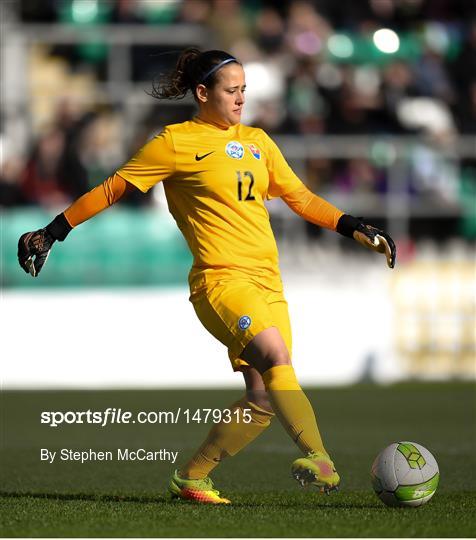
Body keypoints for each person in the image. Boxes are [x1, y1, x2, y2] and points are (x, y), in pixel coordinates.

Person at [18, 48, 396, 505]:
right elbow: (113, 187)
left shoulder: (258, 141)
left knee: (261, 398)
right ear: (202, 93)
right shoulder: (175, 143)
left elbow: (300, 197)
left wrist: (354, 227)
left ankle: (192, 478)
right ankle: (320, 459)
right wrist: (52, 232)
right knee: (276, 356)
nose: (240, 100)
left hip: (268, 284)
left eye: (244, 91)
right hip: (220, 282)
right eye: (231, 91)